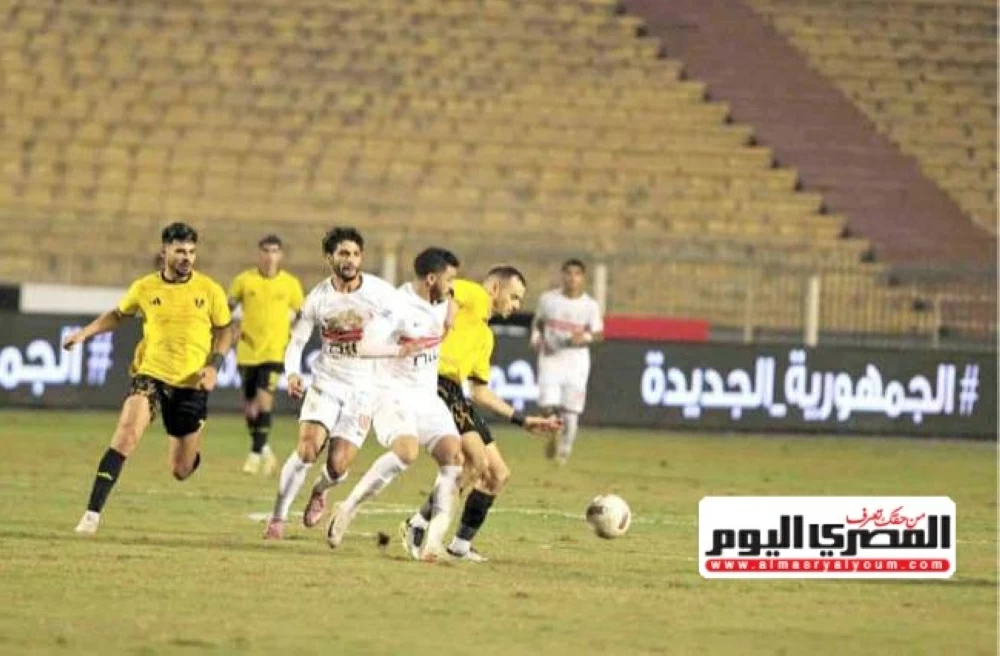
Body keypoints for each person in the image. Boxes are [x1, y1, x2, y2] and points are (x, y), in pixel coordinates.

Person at [64, 222, 233, 535]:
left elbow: (225, 331)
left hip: (191, 384)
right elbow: (118, 315)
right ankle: (91, 515)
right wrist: (84, 333)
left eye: (191, 252)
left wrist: (214, 366)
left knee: (181, 470)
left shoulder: (210, 290)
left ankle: (193, 441)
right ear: (164, 251)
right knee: (127, 433)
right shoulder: (144, 288)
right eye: (180, 251)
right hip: (151, 375)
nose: (186, 257)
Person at [263, 227, 423, 540]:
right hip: (326, 383)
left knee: (337, 466)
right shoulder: (318, 298)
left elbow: (407, 324)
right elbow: (297, 341)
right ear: (329, 258)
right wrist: (292, 373)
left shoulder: (380, 293)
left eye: (355, 254)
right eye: (343, 253)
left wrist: (408, 341)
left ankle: (320, 490)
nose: (350, 260)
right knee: (307, 449)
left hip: (363, 391)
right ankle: (278, 518)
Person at [402, 266, 562, 562]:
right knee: (475, 462)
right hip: (434, 381)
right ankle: (418, 523)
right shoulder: (476, 295)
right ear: (495, 289)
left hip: (457, 393)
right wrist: (448, 317)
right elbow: (449, 290)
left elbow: (479, 392)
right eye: (514, 297)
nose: (516, 305)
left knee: (497, 474)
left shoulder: (486, 336)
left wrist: (523, 420)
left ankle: (460, 546)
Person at [320, 247, 465, 555]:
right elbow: (363, 346)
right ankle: (348, 508)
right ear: (431, 279)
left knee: (454, 457)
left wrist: (451, 312)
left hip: (426, 396)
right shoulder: (397, 306)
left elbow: (453, 305)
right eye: (449, 279)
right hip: (392, 393)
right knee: (407, 452)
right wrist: (399, 350)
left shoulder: (444, 300)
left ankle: (431, 543)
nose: (452, 286)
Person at [228, 234, 305, 476]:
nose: (270, 256)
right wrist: (231, 328)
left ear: (280, 255)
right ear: (259, 254)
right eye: (266, 251)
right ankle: (265, 449)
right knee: (250, 407)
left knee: (264, 399)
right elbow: (226, 309)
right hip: (247, 351)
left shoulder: (290, 284)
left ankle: (254, 455)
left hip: (274, 351)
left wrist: (294, 336)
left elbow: (302, 314)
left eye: (274, 251)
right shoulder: (244, 281)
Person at [531, 259, 604, 464]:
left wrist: (585, 337)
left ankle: (564, 450)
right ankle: (553, 433)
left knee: (570, 414)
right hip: (550, 358)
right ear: (562, 275)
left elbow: (599, 334)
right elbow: (538, 322)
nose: (572, 278)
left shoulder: (590, 306)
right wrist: (535, 338)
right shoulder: (548, 299)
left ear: (583, 278)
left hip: (576, 362)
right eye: (568, 273)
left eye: (576, 274)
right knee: (547, 406)